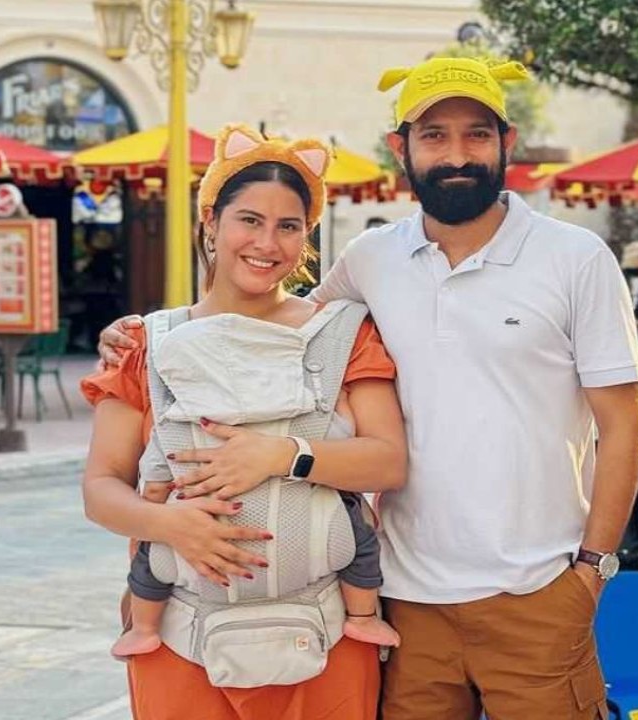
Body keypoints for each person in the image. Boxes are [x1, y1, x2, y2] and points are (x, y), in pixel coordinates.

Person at [99, 56, 638, 720]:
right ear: (402, 149)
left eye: (477, 133)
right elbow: (272, 318)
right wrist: (147, 333)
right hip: (403, 596)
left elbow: (625, 427)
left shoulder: (575, 258)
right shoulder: (372, 259)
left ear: (507, 142)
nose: (456, 153)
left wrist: (592, 569)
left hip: (535, 589)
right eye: (434, 135)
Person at [82, 126, 407, 718]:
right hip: (181, 636)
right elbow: (101, 488)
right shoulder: (145, 343)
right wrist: (171, 525)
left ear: (306, 237)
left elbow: (387, 461)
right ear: (210, 223)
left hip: (324, 632)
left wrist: (284, 454)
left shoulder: (342, 334)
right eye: (249, 220)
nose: (268, 243)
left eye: (288, 226)